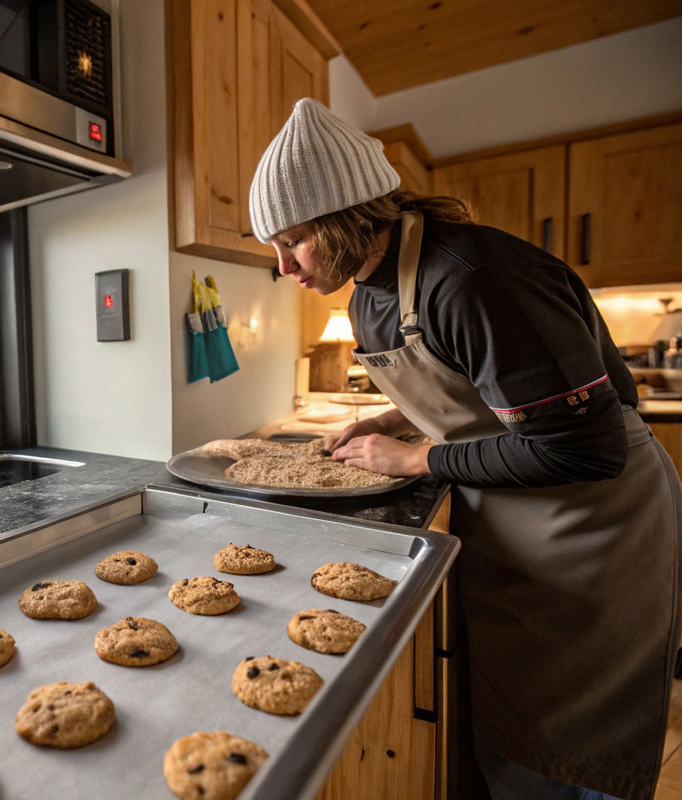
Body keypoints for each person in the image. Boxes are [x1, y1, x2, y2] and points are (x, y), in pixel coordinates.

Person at [248, 98, 682, 800]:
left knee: (572, 745)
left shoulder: (477, 279)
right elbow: (465, 384)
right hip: (512, 514)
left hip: (594, 526)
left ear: (345, 217)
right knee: (511, 718)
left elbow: (584, 448)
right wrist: (392, 423)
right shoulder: (366, 295)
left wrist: (416, 459)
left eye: (292, 241)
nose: (282, 266)